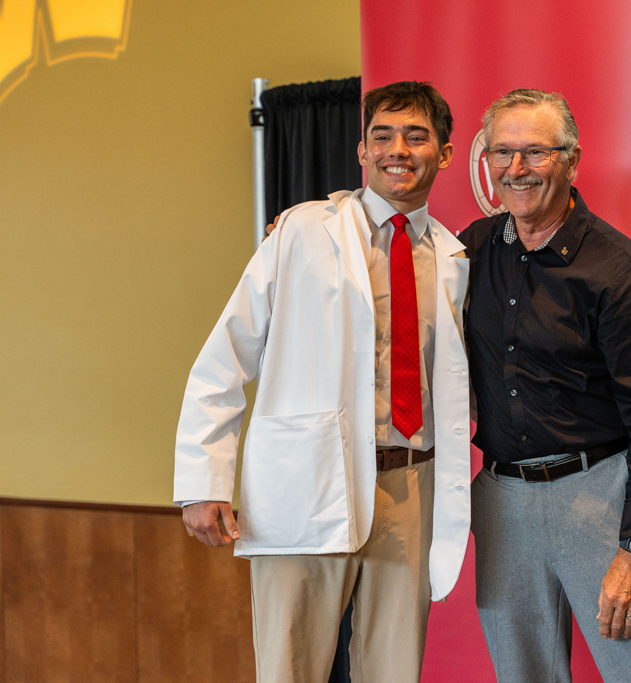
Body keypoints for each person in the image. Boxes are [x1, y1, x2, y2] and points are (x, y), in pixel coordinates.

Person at [173, 81, 471, 683]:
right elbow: (226, 355)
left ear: (443, 153)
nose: (398, 150)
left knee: (392, 670)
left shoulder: (455, 258)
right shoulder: (302, 232)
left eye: (417, 136)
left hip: (410, 489)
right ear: (361, 151)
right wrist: (202, 480)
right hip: (308, 481)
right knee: (289, 668)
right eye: (381, 136)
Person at [460, 89, 631, 682]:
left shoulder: (620, 272)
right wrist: (307, 230)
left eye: (535, 152)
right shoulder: (472, 250)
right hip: (502, 498)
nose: (516, 169)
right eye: (502, 152)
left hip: (601, 496)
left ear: (571, 160)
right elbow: (388, 277)